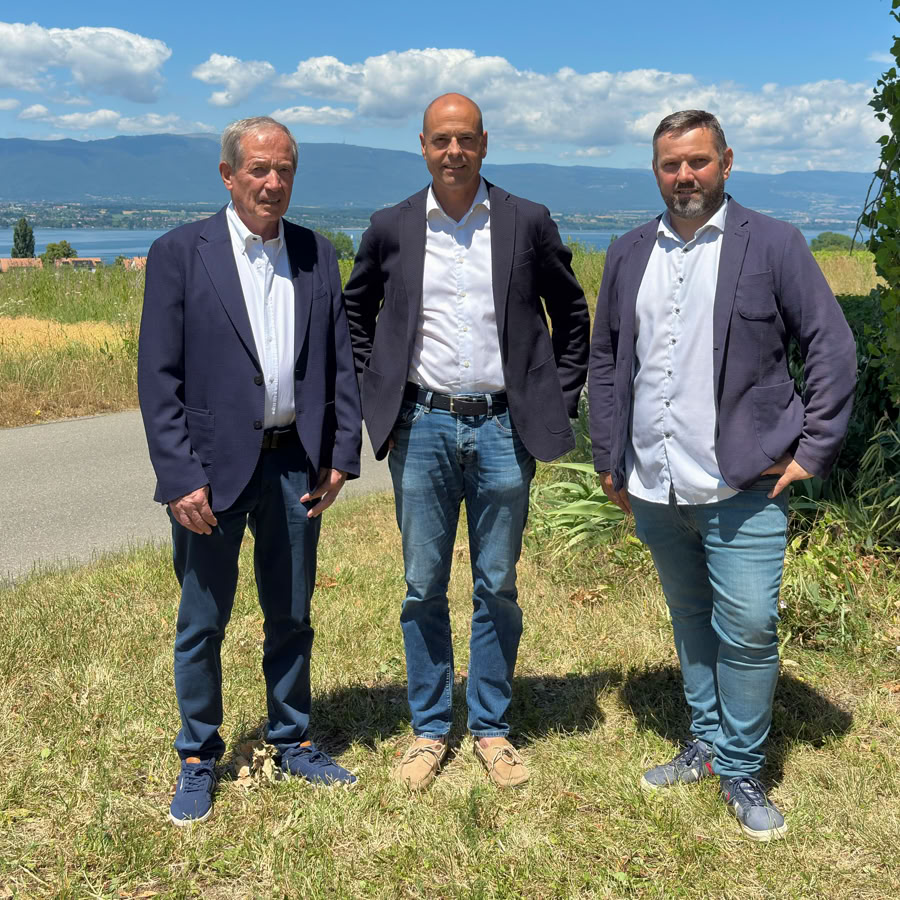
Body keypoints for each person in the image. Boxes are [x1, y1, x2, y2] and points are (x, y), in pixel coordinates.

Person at [589, 110, 856, 840]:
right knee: (691, 619)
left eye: (699, 162)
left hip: (744, 484)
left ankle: (741, 763)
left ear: (727, 162)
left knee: (750, 625)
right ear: (655, 170)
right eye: (671, 164)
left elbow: (831, 347)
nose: (685, 176)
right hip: (655, 484)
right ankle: (707, 742)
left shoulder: (773, 244)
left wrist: (813, 449)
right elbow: (608, 360)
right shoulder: (628, 251)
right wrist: (608, 456)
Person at [343, 93, 590, 790]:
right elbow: (355, 314)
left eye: (466, 140)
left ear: (485, 143)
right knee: (422, 584)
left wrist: (555, 397)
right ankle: (428, 729)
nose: (454, 152)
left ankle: (490, 728)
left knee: (497, 584)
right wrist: (377, 393)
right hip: (420, 425)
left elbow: (572, 315)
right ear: (423, 146)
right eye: (441, 141)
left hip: (503, 426)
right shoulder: (391, 226)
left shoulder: (526, 221)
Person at [138, 116, 362, 825]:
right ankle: (198, 755)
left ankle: (292, 738)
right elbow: (158, 377)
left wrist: (340, 456)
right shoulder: (180, 253)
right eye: (259, 169)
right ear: (228, 175)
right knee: (202, 621)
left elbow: (339, 366)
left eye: (285, 169)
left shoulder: (317, 255)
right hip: (210, 474)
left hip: (295, 464)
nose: (273, 182)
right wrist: (178, 477)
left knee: (291, 614)